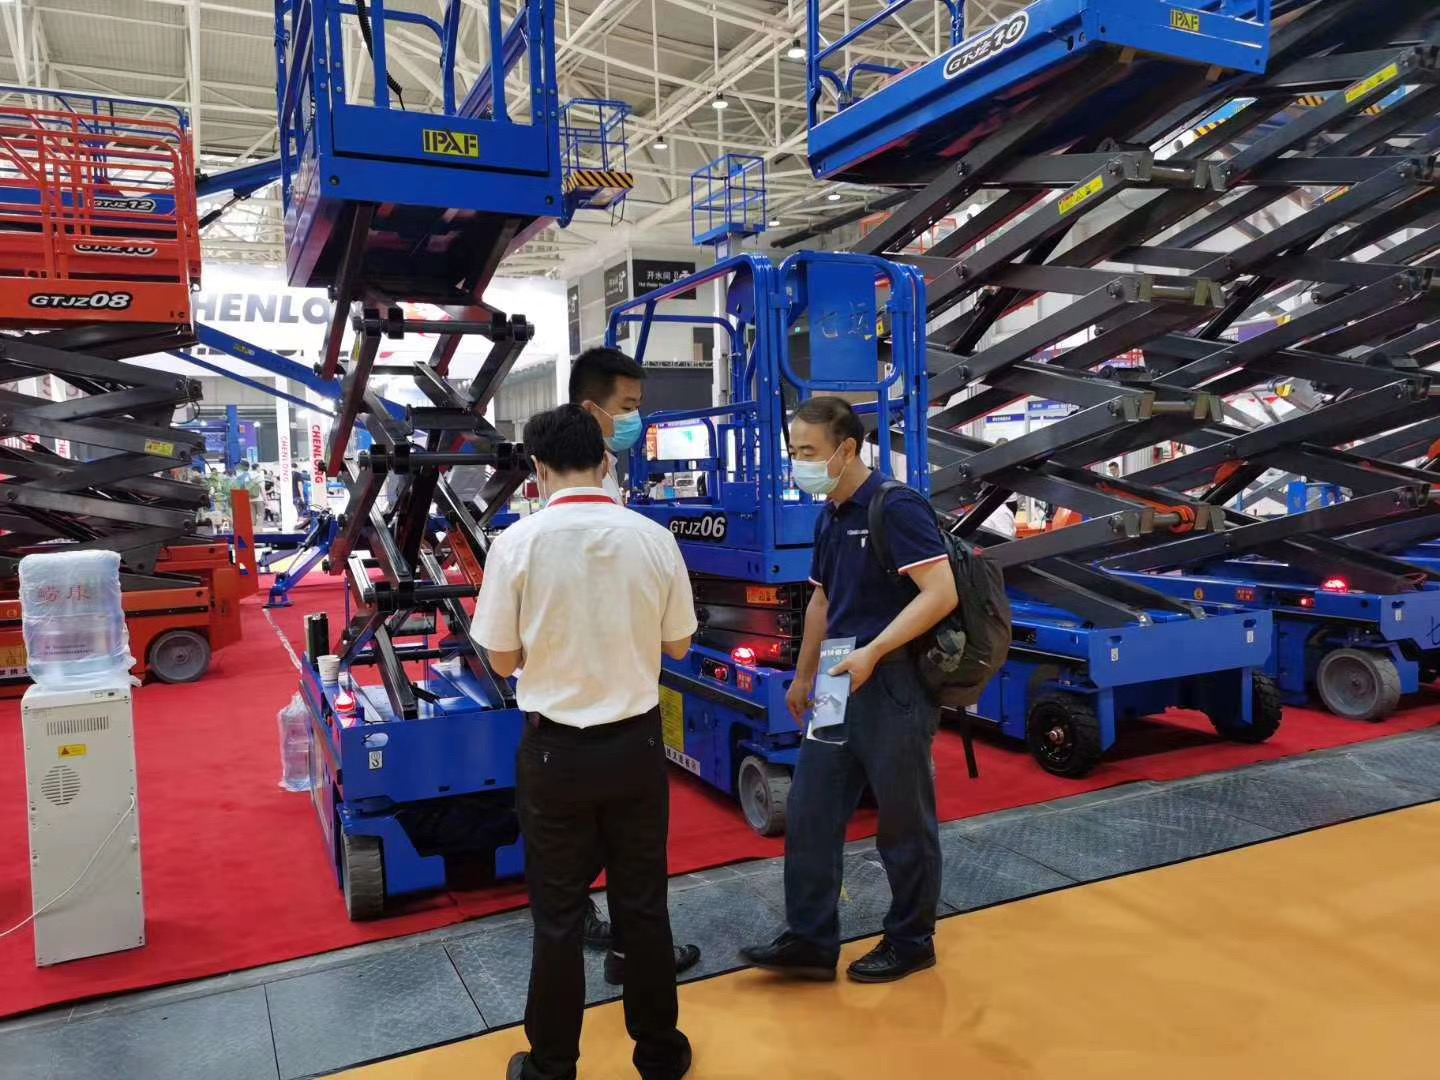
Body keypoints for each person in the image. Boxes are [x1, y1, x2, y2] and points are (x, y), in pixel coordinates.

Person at [471, 405, 695, 1080]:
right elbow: (679, 645)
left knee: (560, 916)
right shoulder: (654, 538)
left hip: (556, 756)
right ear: (604, 461)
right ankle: (659, 1054)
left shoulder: (516, 544)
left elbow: (502, 662)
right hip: (637, 749)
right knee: (643, 906)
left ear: (538, 470)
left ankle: (552, 1066)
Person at [741, 396, 957, 984]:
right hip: (838, 680)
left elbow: (941, 593)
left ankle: (912, 940)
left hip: (893, 683)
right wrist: (803, 674)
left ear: (847, 449)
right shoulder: (830, 514)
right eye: (794, 451)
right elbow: (821, 598)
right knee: (810, 809)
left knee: (904, 820)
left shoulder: (895, 506)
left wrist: (875, 651)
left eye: (809, 451)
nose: (799, 463)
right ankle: (811, 940)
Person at [568, 346, 701, 985]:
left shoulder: (601, 470)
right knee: (631, 844)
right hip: (613, 698)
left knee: (589, 841)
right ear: (590, 408)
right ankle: (637, 955)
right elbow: (677, 642)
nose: (635, 419)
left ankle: (613, 940)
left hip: (571, 706)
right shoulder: (587, 490)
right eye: (627, 407)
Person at [570, 346, 646, 503]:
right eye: (627, 408)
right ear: (589, 411)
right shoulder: (580, 476)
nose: (635, 417)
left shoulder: (606, 463)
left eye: (637, 408)